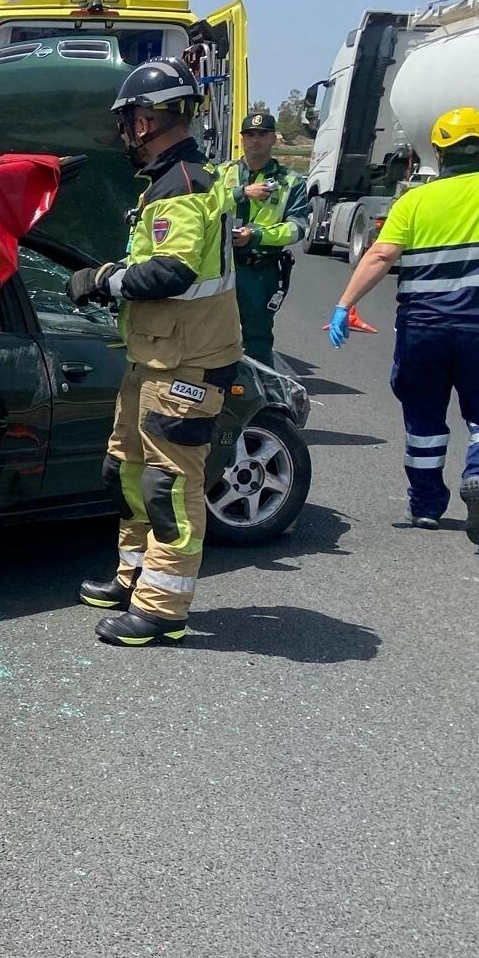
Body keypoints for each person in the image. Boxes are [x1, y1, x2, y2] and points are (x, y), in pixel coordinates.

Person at [68, 59, 242, 646]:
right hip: (157, 356)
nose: (124, 136)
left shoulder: (182, 185)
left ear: (143, 122)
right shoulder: (173, 181)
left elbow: (171, 270)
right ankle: (133, 576)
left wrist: (103, 280)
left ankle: (163, 608)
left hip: (188, 362)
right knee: (128, 469)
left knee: (171, 485)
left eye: (126, 124)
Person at [329, 105, 479, 546]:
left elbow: (379, 256)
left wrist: (344, 304)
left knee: (423, 417)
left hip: (423, 329)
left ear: (438, 151)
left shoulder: (415, 200)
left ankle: (427, 505)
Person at [222, 109, 309, 365]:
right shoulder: (223, 173)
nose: (255, 140)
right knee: (210, 335)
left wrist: (257, 235)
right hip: (220, 267)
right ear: (242, 138)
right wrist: (241, 193)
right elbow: (206, 206)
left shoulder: (290, 181)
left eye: (262, 134)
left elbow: (297, 228)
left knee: (257, 339)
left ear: (273, 138)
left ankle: (260, 394)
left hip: (258, 270)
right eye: (250, 134)